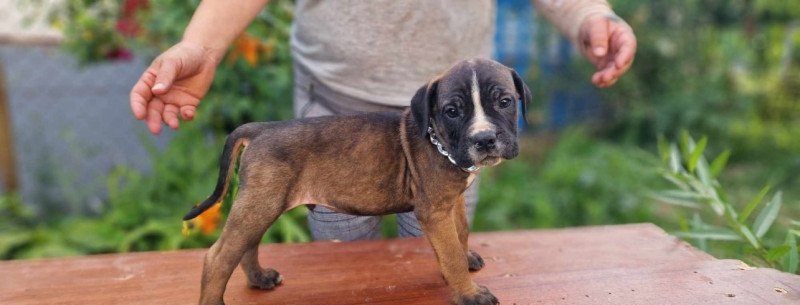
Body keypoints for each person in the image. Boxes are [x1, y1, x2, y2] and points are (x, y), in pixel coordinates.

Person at [130, 0, 637, 242]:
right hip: (334, 118)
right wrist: (201, 45)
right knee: (346, 277)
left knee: (439, 265)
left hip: (457, 124)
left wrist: (591, 15)